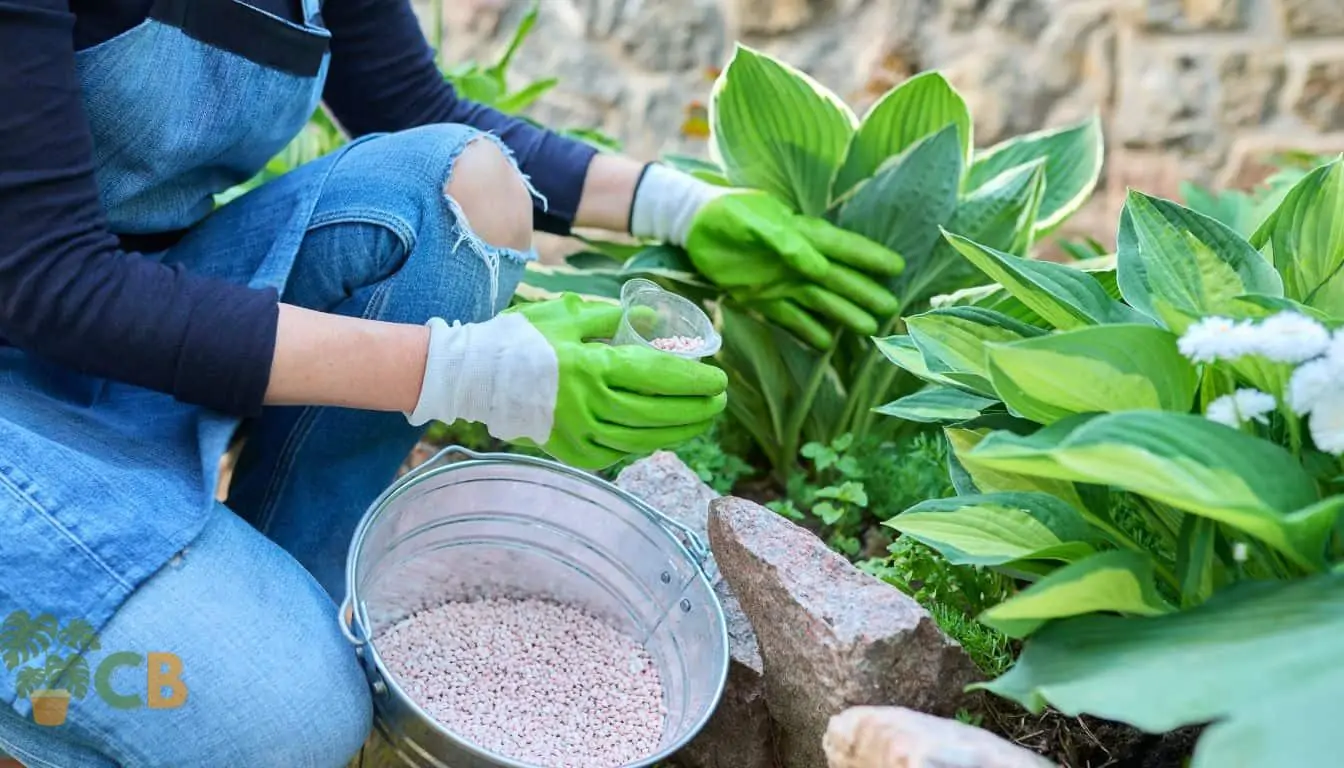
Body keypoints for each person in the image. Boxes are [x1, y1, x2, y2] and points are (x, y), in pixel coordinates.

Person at [0, 0, 904, 764]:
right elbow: (49, 280)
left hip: (124, 326)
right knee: (294, 723)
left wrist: (682, 206)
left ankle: (281, 589)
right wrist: (474, 373)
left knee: (459, 186)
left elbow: (412, 103)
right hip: (39, 338)